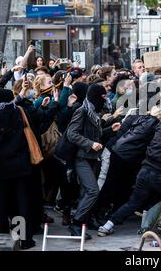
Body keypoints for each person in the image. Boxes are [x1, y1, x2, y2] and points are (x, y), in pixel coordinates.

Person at [66, 84, 120, 239]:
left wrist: (110, 130)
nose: (105, 100)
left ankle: (87, 220)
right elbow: (72, 134)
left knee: (86, 192)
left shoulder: (94, 111)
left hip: (92, 158)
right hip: (81, 158)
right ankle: (75, 224)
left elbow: (96, 134)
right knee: (92, 190)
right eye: (103, 97)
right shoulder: (82, 111)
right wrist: (90, 144)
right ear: (96, 96)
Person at [0, 88, 36, 250]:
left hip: (2, 167)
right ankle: (23, 238)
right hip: (21, 165)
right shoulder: (19, 112)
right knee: (22, 203)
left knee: (2, 204)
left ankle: (2, 238)